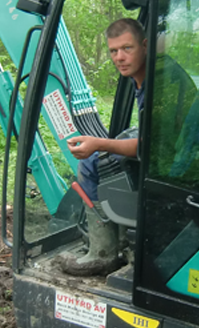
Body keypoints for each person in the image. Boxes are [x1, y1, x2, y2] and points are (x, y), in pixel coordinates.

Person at [60, 18, 147, 276]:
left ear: (144, 45)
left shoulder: (155, 83)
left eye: (127, 48)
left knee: (91, 163)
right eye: (113, 51)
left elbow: (149, 146)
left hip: (171, 164)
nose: (119, 57)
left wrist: (98, 144)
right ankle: (122, 244)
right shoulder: (142, 77)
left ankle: (103, 253)